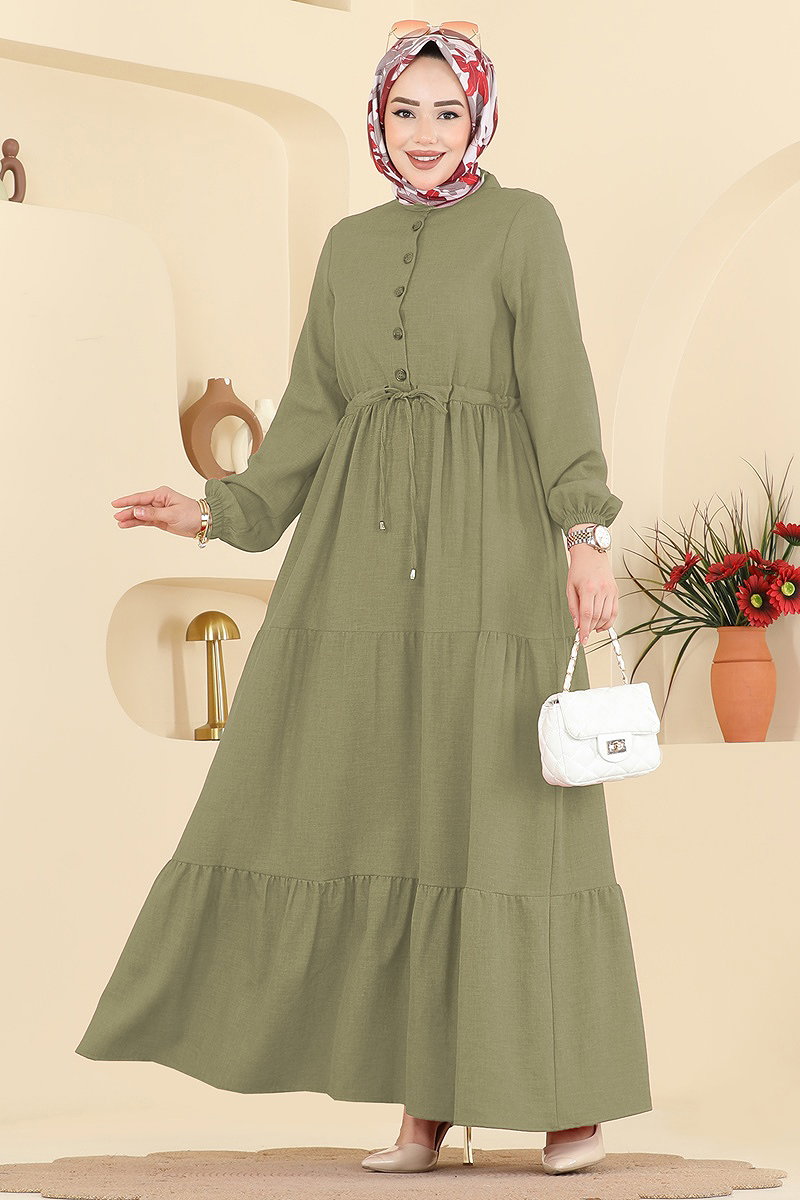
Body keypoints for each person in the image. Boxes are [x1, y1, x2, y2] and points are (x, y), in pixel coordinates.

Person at [75, 22, 652, 1177]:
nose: (424, 133)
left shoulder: (524, 226)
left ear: (477, 118)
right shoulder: (346, 247)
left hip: (492, 552)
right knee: (391, 810)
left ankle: (567, 1104)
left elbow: (559, 383)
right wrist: (216, 509)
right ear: (379, 120)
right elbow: (309, 412)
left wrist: (584, 536)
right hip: (358, 563)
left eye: (446, 112)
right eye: (403, 112)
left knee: (506, 811)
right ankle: (420, 1107)